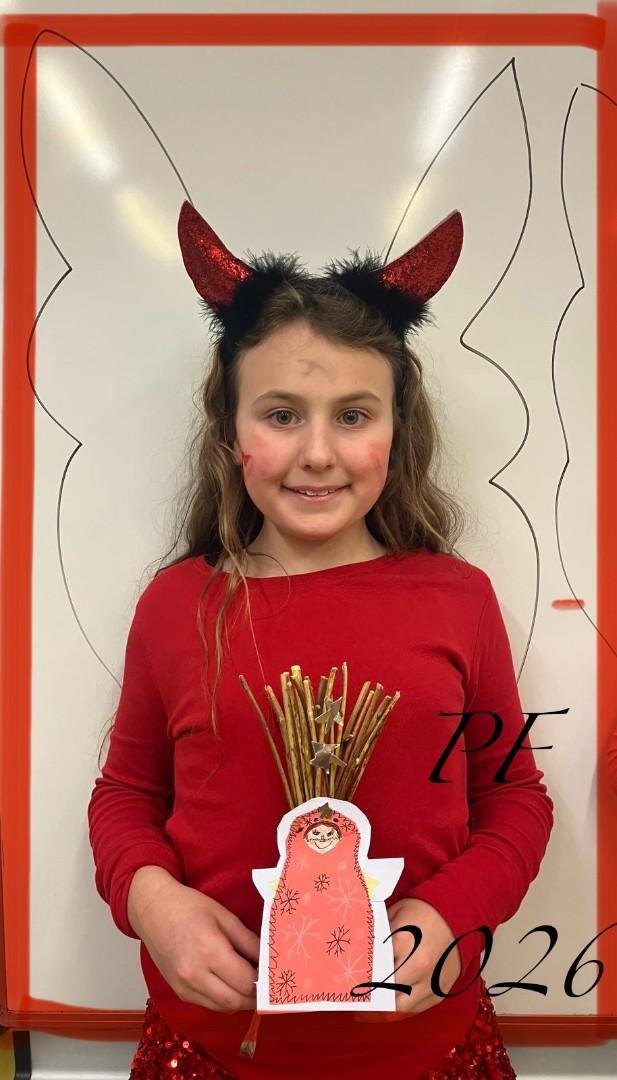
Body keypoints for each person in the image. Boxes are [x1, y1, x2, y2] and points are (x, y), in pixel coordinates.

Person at [87, 201, 554, 1079]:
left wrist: (450, 913)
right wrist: (151, 901)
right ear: (229, 431)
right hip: (211, 1049)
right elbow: (125, 794)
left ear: (395, 428)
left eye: (351, 415)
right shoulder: (178, 606)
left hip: (426, 1047)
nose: (316, 453)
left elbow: (513, 797)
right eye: (280, 415)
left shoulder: (457, 600)